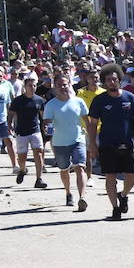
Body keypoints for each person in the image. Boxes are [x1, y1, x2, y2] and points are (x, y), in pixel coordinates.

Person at [86, 65, 134, 221]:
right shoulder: (99, 100)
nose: (112, 82)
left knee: (131, 177)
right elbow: (92, 124)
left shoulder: (129, 98)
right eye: (108, 80)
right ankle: (115, 208)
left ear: (119, 80)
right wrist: (92, 144)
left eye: (114, 79)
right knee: (110, 177)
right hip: (107, 144)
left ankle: (123, 195)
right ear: (104, 83)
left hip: (127, 143)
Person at [45, 74, 90, 210]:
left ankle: (82, 198)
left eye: (65, 84)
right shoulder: (51, 105)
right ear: (55, 87)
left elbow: (87, 120)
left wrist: (90, 136)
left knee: (80, 167)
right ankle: (68, 192)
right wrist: (48, 126)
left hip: (78, 140)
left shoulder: (79, 101)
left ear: (70, 84)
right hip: (59, 142)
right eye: (59, 85)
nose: (63, 87)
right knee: (64, 170)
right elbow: (46, 124)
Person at [9, 76, 48, 188]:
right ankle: (22, 170)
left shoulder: (39, 100)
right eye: (30, 85)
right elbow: (11, 113)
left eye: (34, 85)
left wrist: (45, 125)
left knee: (39, 153)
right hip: (21, 132)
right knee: (22, 156)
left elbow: (43, 116)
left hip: (35, 131)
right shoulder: (18, 100)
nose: (32, 88)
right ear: (25, 87)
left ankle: (39, 179)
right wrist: (9, 125)